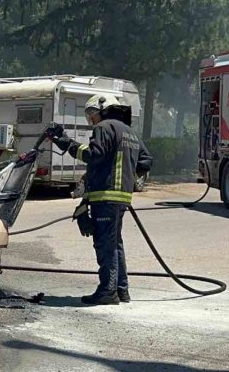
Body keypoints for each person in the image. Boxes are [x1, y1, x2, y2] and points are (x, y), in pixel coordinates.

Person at [45, 95, 153, 305]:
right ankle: (121, 290)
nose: (90, 120)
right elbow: (146, 160)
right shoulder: (129, 132)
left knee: (105, 245)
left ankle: (107, 291)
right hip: (121, 197)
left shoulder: (104, 128)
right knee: (114, 242)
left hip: (106, 196)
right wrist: (128, 179)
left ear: (101, 109)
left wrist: (67, 143)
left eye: (90, 114)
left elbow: (94, 154)